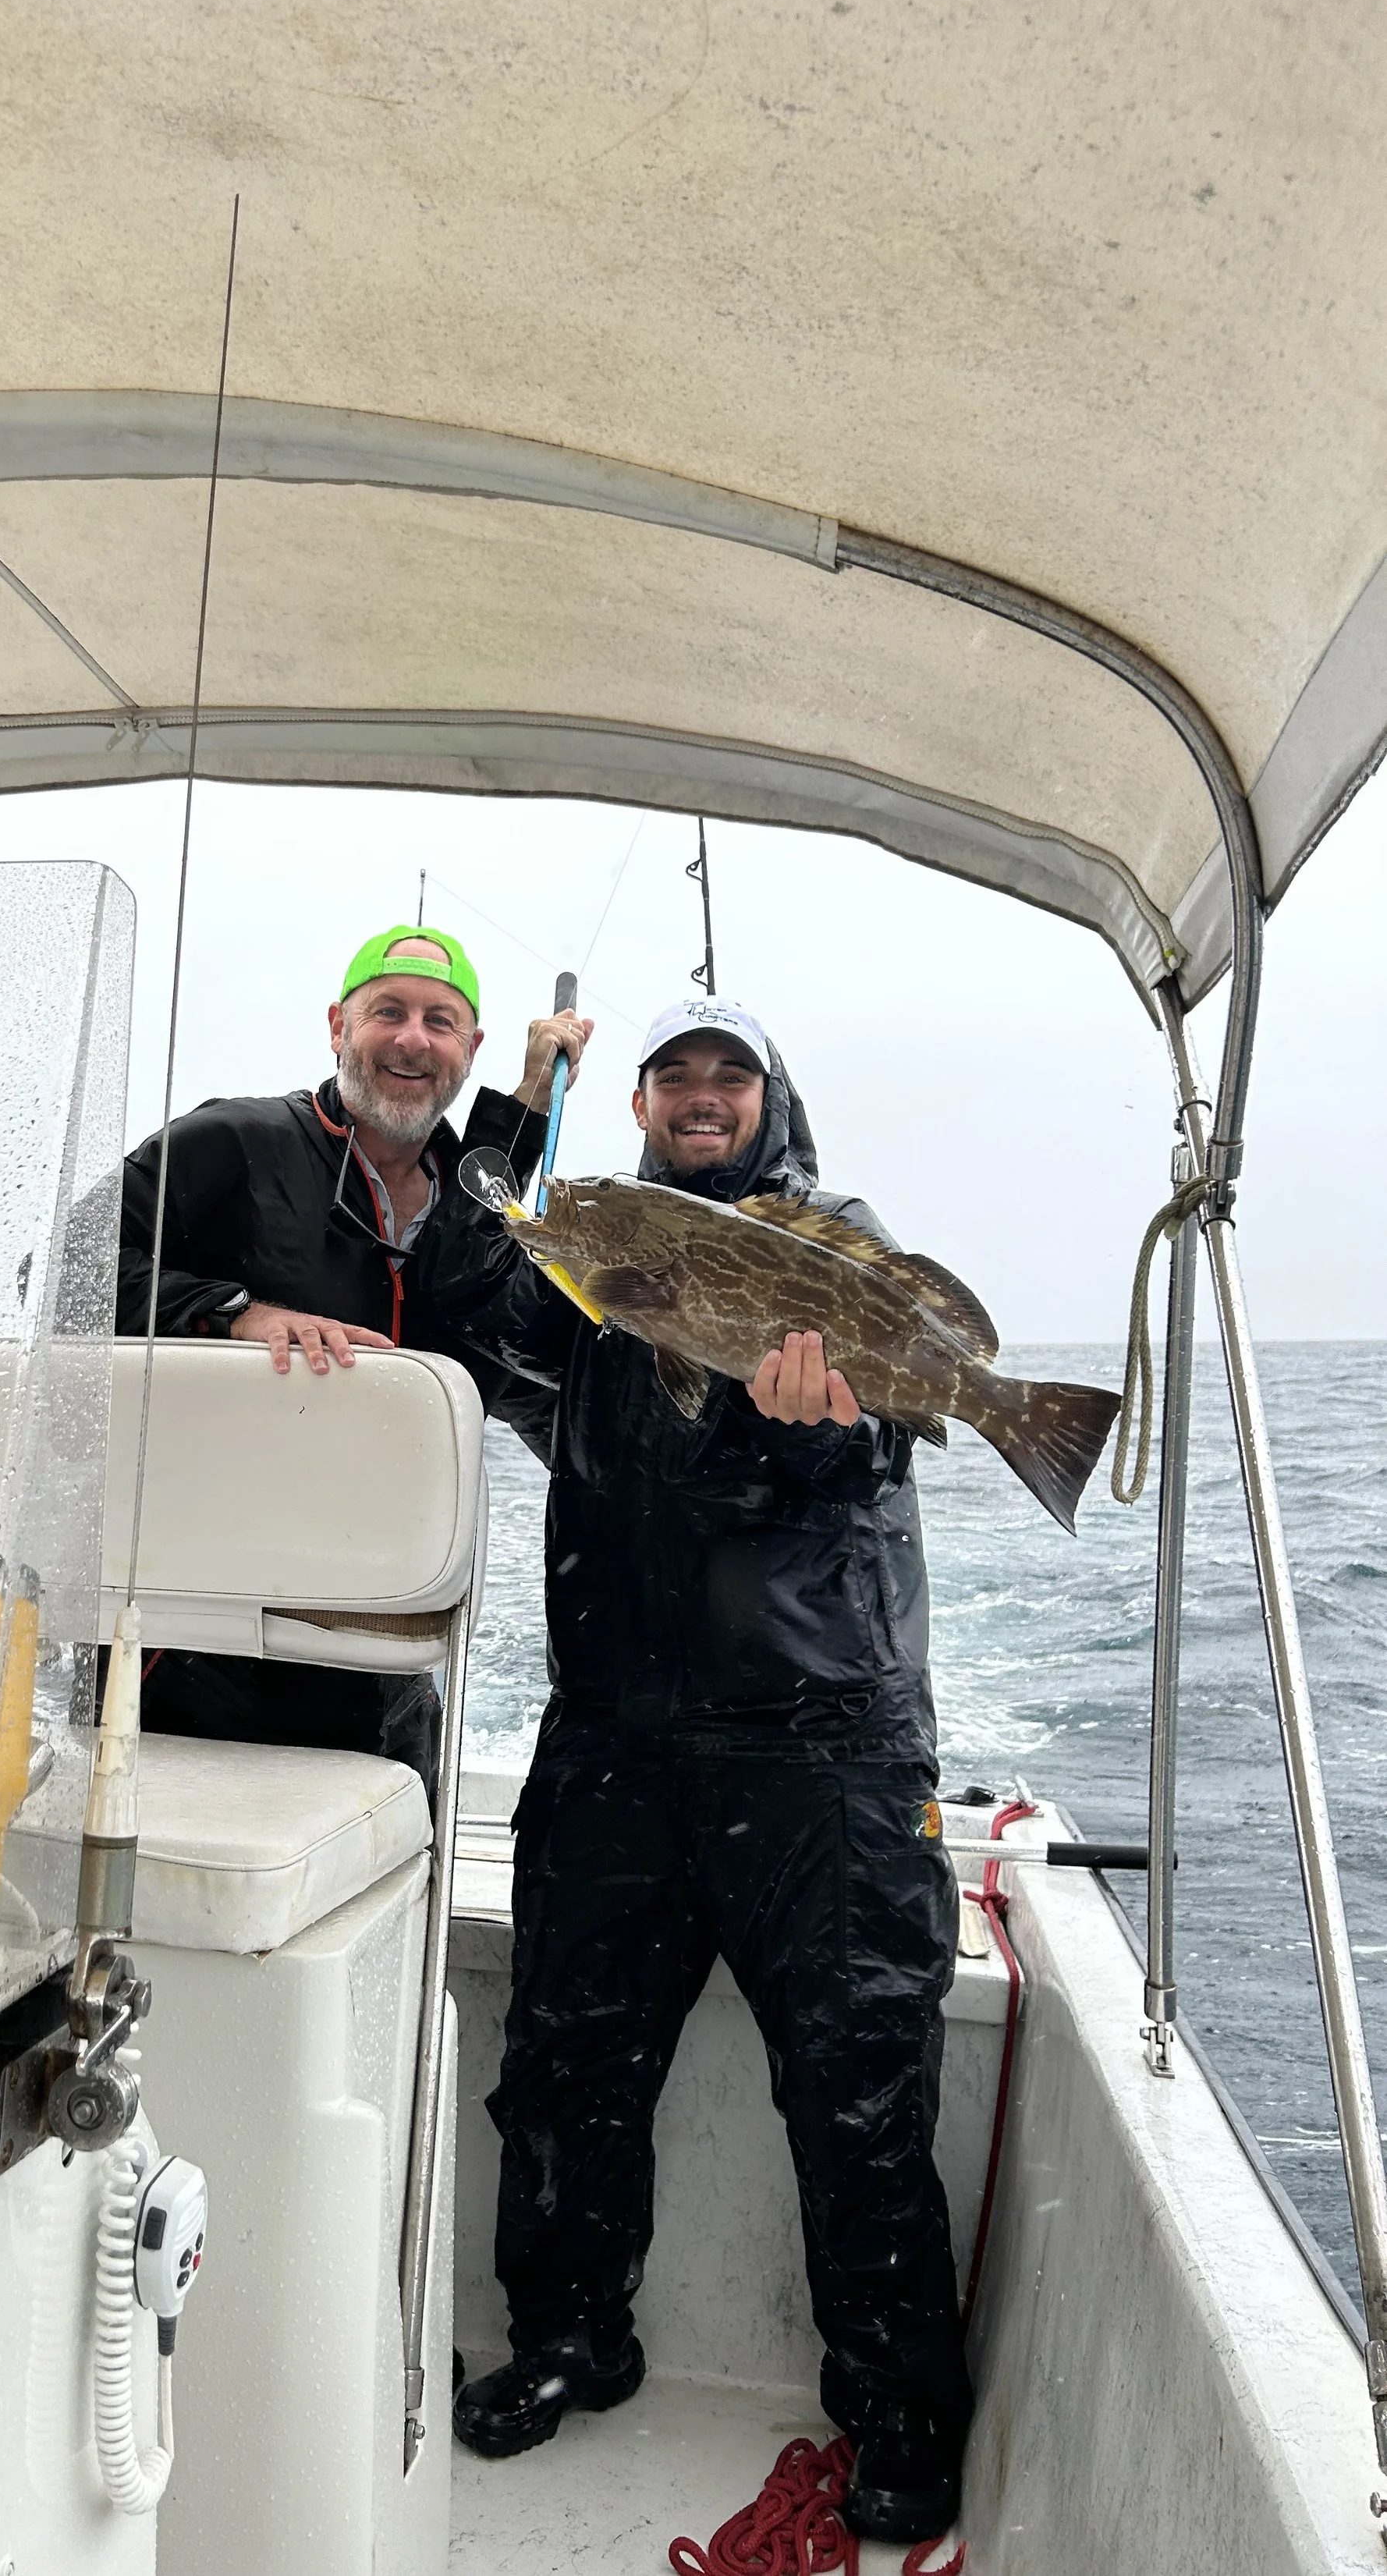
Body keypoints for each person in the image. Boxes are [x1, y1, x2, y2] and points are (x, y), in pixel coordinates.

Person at [438, 994, 971, 2546]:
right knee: (560, 2063)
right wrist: (514, 1108)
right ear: (638, 1105)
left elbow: (871, 1449)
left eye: (726, 1073)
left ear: (765, 1096)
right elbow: (471, 1290)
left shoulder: (826, 1241)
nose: (698, 1093)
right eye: (671, 1073)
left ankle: (891, 2410)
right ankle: (566, 2339)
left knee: (860, 2084)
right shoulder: (596, 1255)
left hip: (823, 1751)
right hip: (614, 1737)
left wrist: (811, 1420)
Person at [96, 924, 589, 1791]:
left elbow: (527, 1381)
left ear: (469, 1050)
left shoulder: (482, 1217)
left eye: (440, 1022)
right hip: (189, 1649)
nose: (411, 1038)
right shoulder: (235, 1141)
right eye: (386, 1012)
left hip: (385, 1661)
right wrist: (234, 1314)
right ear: (337, 1027)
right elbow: (66, 1268)